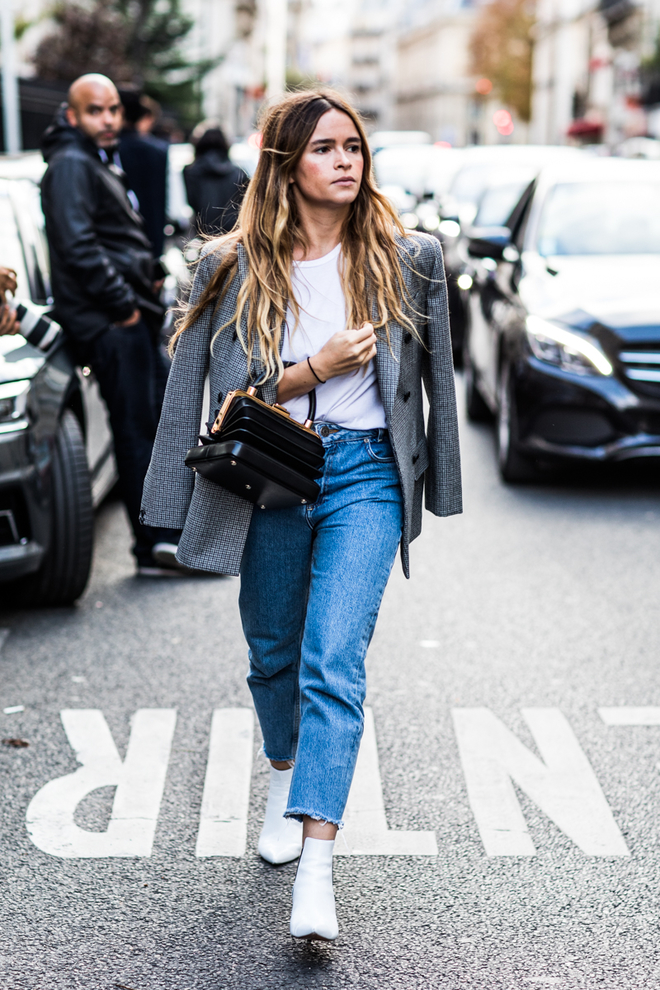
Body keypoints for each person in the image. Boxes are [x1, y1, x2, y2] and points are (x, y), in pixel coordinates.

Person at [141, 90, 461, 939]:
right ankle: (285, 782)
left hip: (367, 477)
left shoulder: (411, 258)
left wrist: (442, 485)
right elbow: (206, 397)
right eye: (324, 148)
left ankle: (317, 862)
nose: (346, 161)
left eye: (354, 146)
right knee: (273, 651)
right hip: (276, 471)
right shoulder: (229, 265)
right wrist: (307, 369)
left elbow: (438, 389)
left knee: (333, 660)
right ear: (287, 164)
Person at [40, 73, 183, 576]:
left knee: (156, 422)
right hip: (112, 319)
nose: (108, 120)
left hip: (130, 313)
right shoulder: (70, 165)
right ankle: (154, 545)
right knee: (137, 429)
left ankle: (166, 537)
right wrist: (122, 303)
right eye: (95, 111)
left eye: (113, 110)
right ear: (73, 115)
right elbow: (78, 247)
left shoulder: (94, 159)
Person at [118, 90, 168, 256]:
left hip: (116, 251)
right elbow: (160, 207)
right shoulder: (159, 151)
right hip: (147, 247)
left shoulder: (107, 150)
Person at [183, 121, 249, 235]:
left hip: (203, 234)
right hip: (232, 234)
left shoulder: (190, 172)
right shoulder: (239, 173)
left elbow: (191, 202)